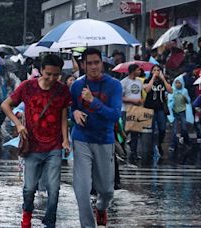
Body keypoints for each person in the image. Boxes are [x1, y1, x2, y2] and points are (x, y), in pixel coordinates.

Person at [1, 54, 71, 228]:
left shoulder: (62, 90)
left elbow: (63, 117)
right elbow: (5, 105)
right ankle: (27, 216)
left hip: (54, 146)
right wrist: (18, 124)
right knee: (30, 188)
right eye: (48, 74)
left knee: (54, 189)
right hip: (32, 146)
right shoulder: (27, 87)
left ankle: (50, 222)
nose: (52, 78)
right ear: (41, 71)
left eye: (56, 75)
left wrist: (65, 141)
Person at [70, 48, 122, 227]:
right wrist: (75, 112)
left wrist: (94, 101)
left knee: (107, 190)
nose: (93, 67)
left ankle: (101, 207)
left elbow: (114, 115)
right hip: (81, 137)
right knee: (82, 189)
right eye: (89, 63)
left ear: (102, 63)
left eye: (96, 62)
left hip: (104, 140)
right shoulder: (77, 85)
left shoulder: (114, 85)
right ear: (83, 65)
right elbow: (71, 108)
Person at [144, 65, 173, 156]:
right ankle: (152, 147)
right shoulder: (147, 80)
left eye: (158, 70)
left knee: (162, 128)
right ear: (151, 71)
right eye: (154, 70)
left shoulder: (162, 81)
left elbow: (171, 90)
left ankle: (160, 144)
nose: (156, 71)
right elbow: (147, 90)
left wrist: (163, 79)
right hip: (150, 107)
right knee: (151, 129)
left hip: (160, 108)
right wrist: (153, 78)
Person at [167, 75, 194, 161]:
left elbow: (188, 101)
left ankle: (187, 142)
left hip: (182, 111)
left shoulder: (184, 91)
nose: (178, 84)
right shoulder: (172, 91)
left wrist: (184, 97)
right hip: (175, 112)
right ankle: (173, 145)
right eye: (176, 83)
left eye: (179, 83)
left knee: (184, 128)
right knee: (175, 130)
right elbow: (169, 100)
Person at [121, 64, 143, 164]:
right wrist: (132, 100)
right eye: (138, 70)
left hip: (137, 110)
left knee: (136, 133)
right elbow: (120, 97)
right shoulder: (124, 82)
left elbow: (141, 94)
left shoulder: (139, 82)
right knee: (125, 132)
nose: (140, 71)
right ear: (133, 71)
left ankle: (134, 152)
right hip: (126, 110)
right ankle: (121, 151)